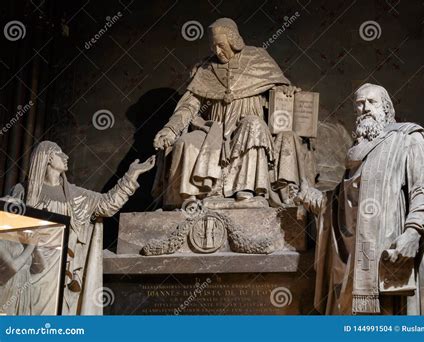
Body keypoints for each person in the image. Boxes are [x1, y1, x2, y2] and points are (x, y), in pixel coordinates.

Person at [296, 83, 424, 315]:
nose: (365, 108)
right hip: (354, 258)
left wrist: (413, 232)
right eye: (359, 103)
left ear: (386, 108)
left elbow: (423, 191)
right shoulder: (356, 154)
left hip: (389, 246)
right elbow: (341, 204)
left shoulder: (407, 137)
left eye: (372, 102)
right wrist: (311, 196)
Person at [153, 18, 302, 207]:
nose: (217, 51)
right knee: (186, 142)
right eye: (213, 46)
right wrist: (170, 129)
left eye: (221, 45)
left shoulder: (257, 58)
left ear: (234, 40)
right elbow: (188, 106)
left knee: (253, 124)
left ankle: (245, 190)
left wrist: (285, 91)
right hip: (212, 131)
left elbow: (278, 89)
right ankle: (190, 200)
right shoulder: (205, 69)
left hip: (245, 126)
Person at [9, 141, 155, 314]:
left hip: (61, 270)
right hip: (30, 268)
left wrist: (132, 175)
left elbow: (107, 204)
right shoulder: (22, 192)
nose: (67, 156)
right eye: (60, 153)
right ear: (48, 157)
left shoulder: (75, 196)